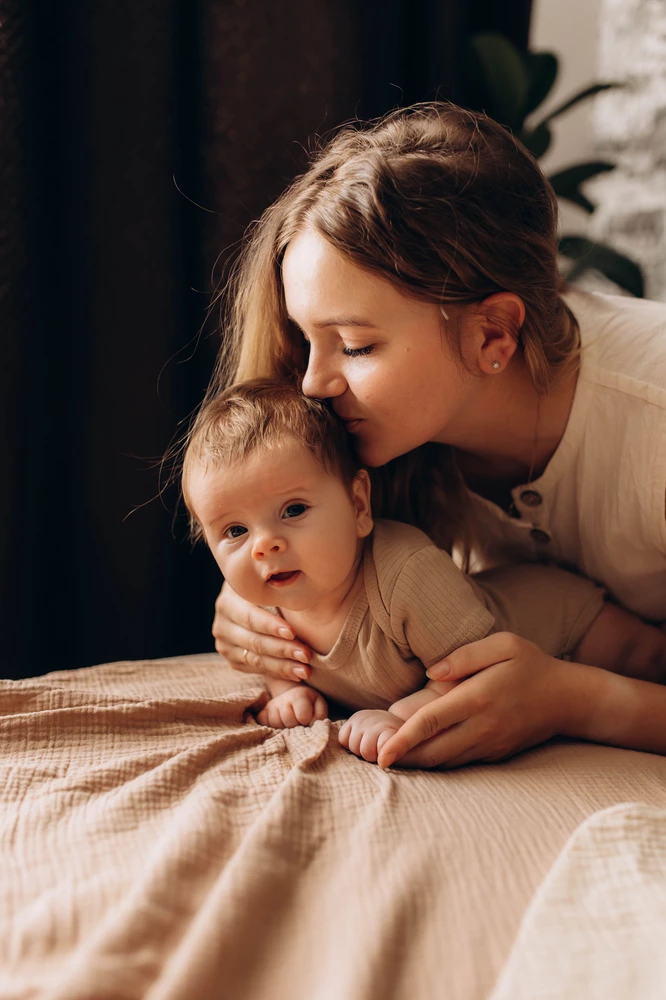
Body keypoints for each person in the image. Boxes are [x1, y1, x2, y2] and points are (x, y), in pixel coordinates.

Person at [208, 101, 666, 769]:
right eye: (308, 340)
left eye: (357, 345)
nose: (311, 383)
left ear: (493, 335)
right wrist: (270, 611)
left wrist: (573, 699)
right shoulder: (386, 443)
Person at [183, 379, 666, 767]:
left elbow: (474, 670)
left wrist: (401, 715)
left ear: (358, 504)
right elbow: (275, 661)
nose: (265, 545)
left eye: (293, 509)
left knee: (647, 656)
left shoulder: (405, 574)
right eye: (235, 530)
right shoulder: (262, 598)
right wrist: (285, 689)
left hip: (560, 619)